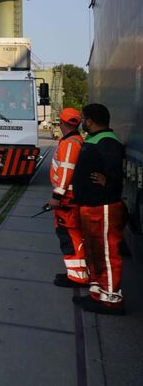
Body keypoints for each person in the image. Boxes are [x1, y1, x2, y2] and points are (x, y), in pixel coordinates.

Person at [72, 103, 127, 315]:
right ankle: (97, 293)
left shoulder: (108, 142)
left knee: (106, 253)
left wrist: (109, 182)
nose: (81, 122)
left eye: (83, 118)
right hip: (90, 205)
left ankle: (112, 299)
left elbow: (115, 171)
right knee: (94, 251)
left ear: (90, 121)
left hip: (103, 205)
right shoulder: (94, 139)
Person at [46, 108, 87, 288]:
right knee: (72, 235)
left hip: (67, 198)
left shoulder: (70, 143)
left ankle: (78, 277)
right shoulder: (75, 140)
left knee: (70, 236)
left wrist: (57, 196)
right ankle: (77, 273)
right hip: (69, 196)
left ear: (61, 123)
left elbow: (66, 171)